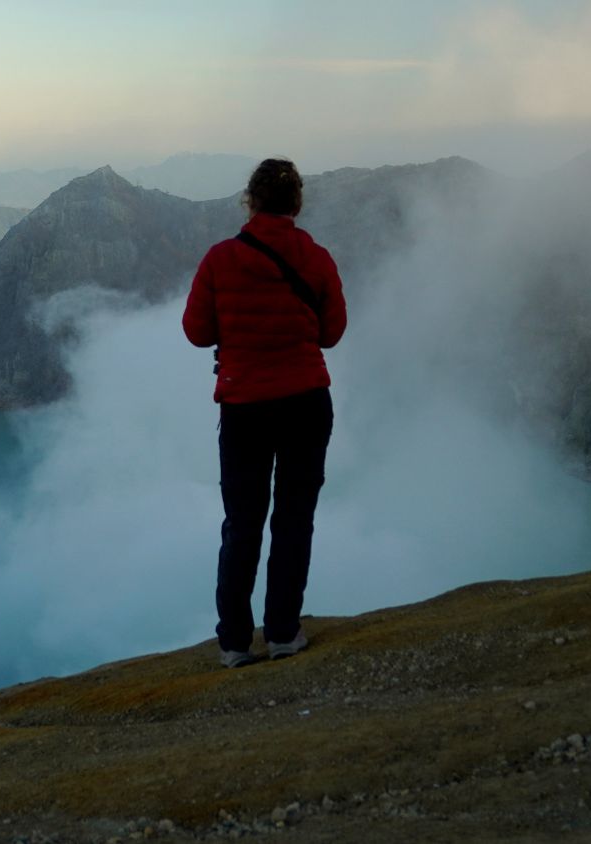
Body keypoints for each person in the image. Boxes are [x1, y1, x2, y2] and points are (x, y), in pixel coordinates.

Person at [181, 158, 348, 669]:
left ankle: (234, 642)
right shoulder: (315, 257)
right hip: (305, 403)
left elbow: (197, 332)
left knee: (243, 522)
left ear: (249, 201)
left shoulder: (220, 259)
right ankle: (282, 633)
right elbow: (332, 333)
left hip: (244, 408)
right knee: (294, 519)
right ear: (295, 205)